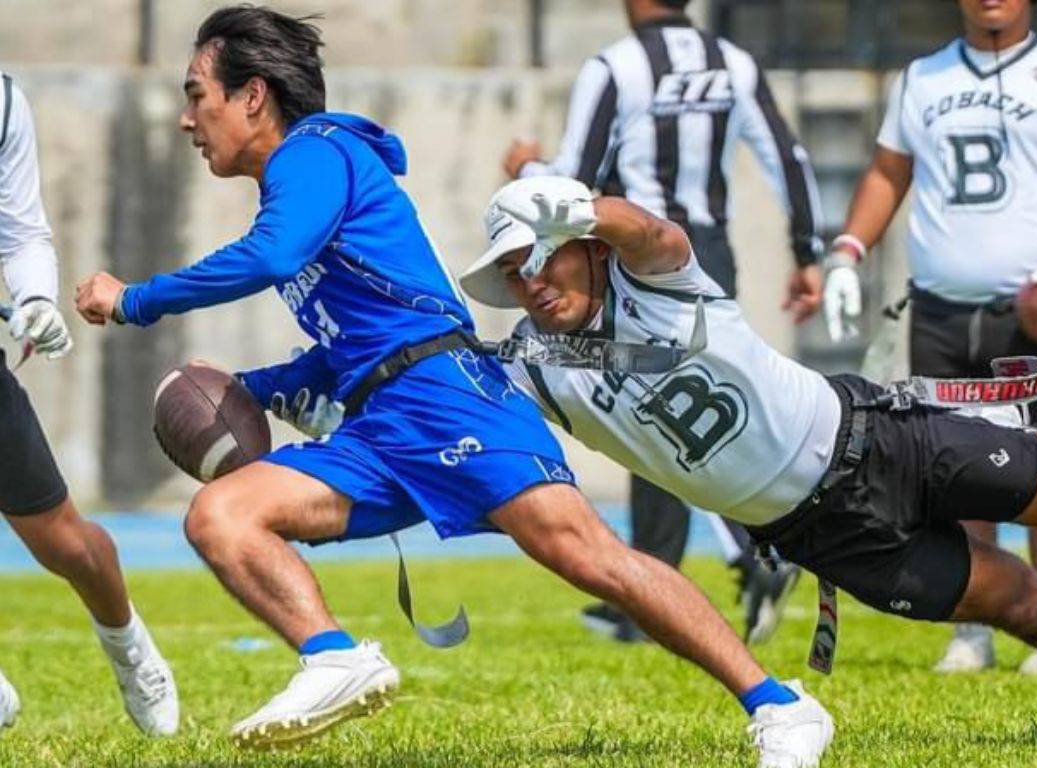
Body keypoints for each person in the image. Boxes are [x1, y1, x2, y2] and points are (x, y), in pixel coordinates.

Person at [72, 8, 832, 763]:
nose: (185, 118)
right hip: (380, 427)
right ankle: (334, 656)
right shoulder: (296, 182)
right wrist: (256, 385)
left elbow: (273, 259)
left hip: (446, 394)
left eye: (197, 94)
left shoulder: (316, 151)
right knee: (221, 516)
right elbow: (350, 339)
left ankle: (780, 705)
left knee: (594, 559)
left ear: (253, 96)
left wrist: (136, 299)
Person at [459, 174, 1037, 735]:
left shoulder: (658, 275)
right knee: (1022, 603)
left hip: (879, 438)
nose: (530, 282)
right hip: (819, 532)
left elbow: (647, 228)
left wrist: (569, 206)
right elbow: (444, 397)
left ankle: (1014, 429)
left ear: (586, 246)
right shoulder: (534, 373)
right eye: (512, 273)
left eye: (539, 258)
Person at [502, 0, 825, 645]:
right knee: (706, 400)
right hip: (706, 250)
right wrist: (807, 252)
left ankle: (747, 555)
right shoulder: (733, 61)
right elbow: (787, 156)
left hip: (636, 259)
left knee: (645, 411)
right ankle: (652, 595)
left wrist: (524, 170)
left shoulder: (616, 66)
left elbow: (576, 182)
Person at [820, 0, 1037, 676]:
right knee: (952, 475)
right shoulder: (920, 78)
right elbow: (887, 172)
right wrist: (847, 251)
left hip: (1036, 306)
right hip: (941, 310)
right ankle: (975, 627)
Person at [0, 71, 178, 736]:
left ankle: (128, 643)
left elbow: (20, 231)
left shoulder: (2, 101)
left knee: (70, 545)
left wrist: (38, 298)